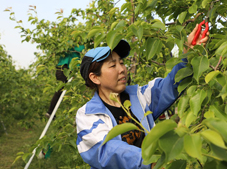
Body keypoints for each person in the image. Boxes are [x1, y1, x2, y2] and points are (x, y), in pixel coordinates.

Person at [76, 24, 209, 169]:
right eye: (113, 66)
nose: (122, 69)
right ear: (95, 78)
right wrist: (148, 162)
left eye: (121, 62)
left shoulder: (138, 96)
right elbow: (107, 149)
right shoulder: (88, 114)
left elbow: (170, 85)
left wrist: (188, 54)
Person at [46, 44, 85, 118]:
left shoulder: (66, 41)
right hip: (67, 68)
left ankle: (51, 112)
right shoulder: (70, 42)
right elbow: (80, 49)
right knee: (61, 91)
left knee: (61, 91)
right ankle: (50, 112)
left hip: (62, 68)